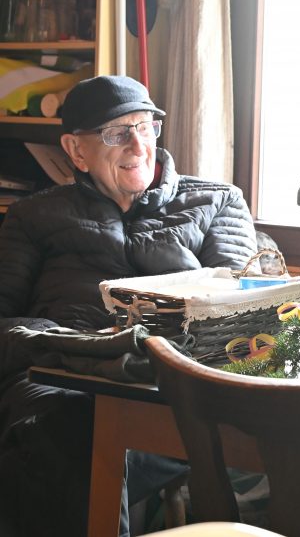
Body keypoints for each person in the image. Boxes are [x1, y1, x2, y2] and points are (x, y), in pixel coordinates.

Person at [0, 75, 258, 537]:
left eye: (145, 127)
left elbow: (242, 318)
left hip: (171, 384)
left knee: (65, 448)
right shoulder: (33, 216)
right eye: (117, 133)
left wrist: (177, 272)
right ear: (76, 150)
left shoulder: (217, 201)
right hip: (60, 377)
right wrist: (65, 345)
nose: (138, 145)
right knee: (67, 428)